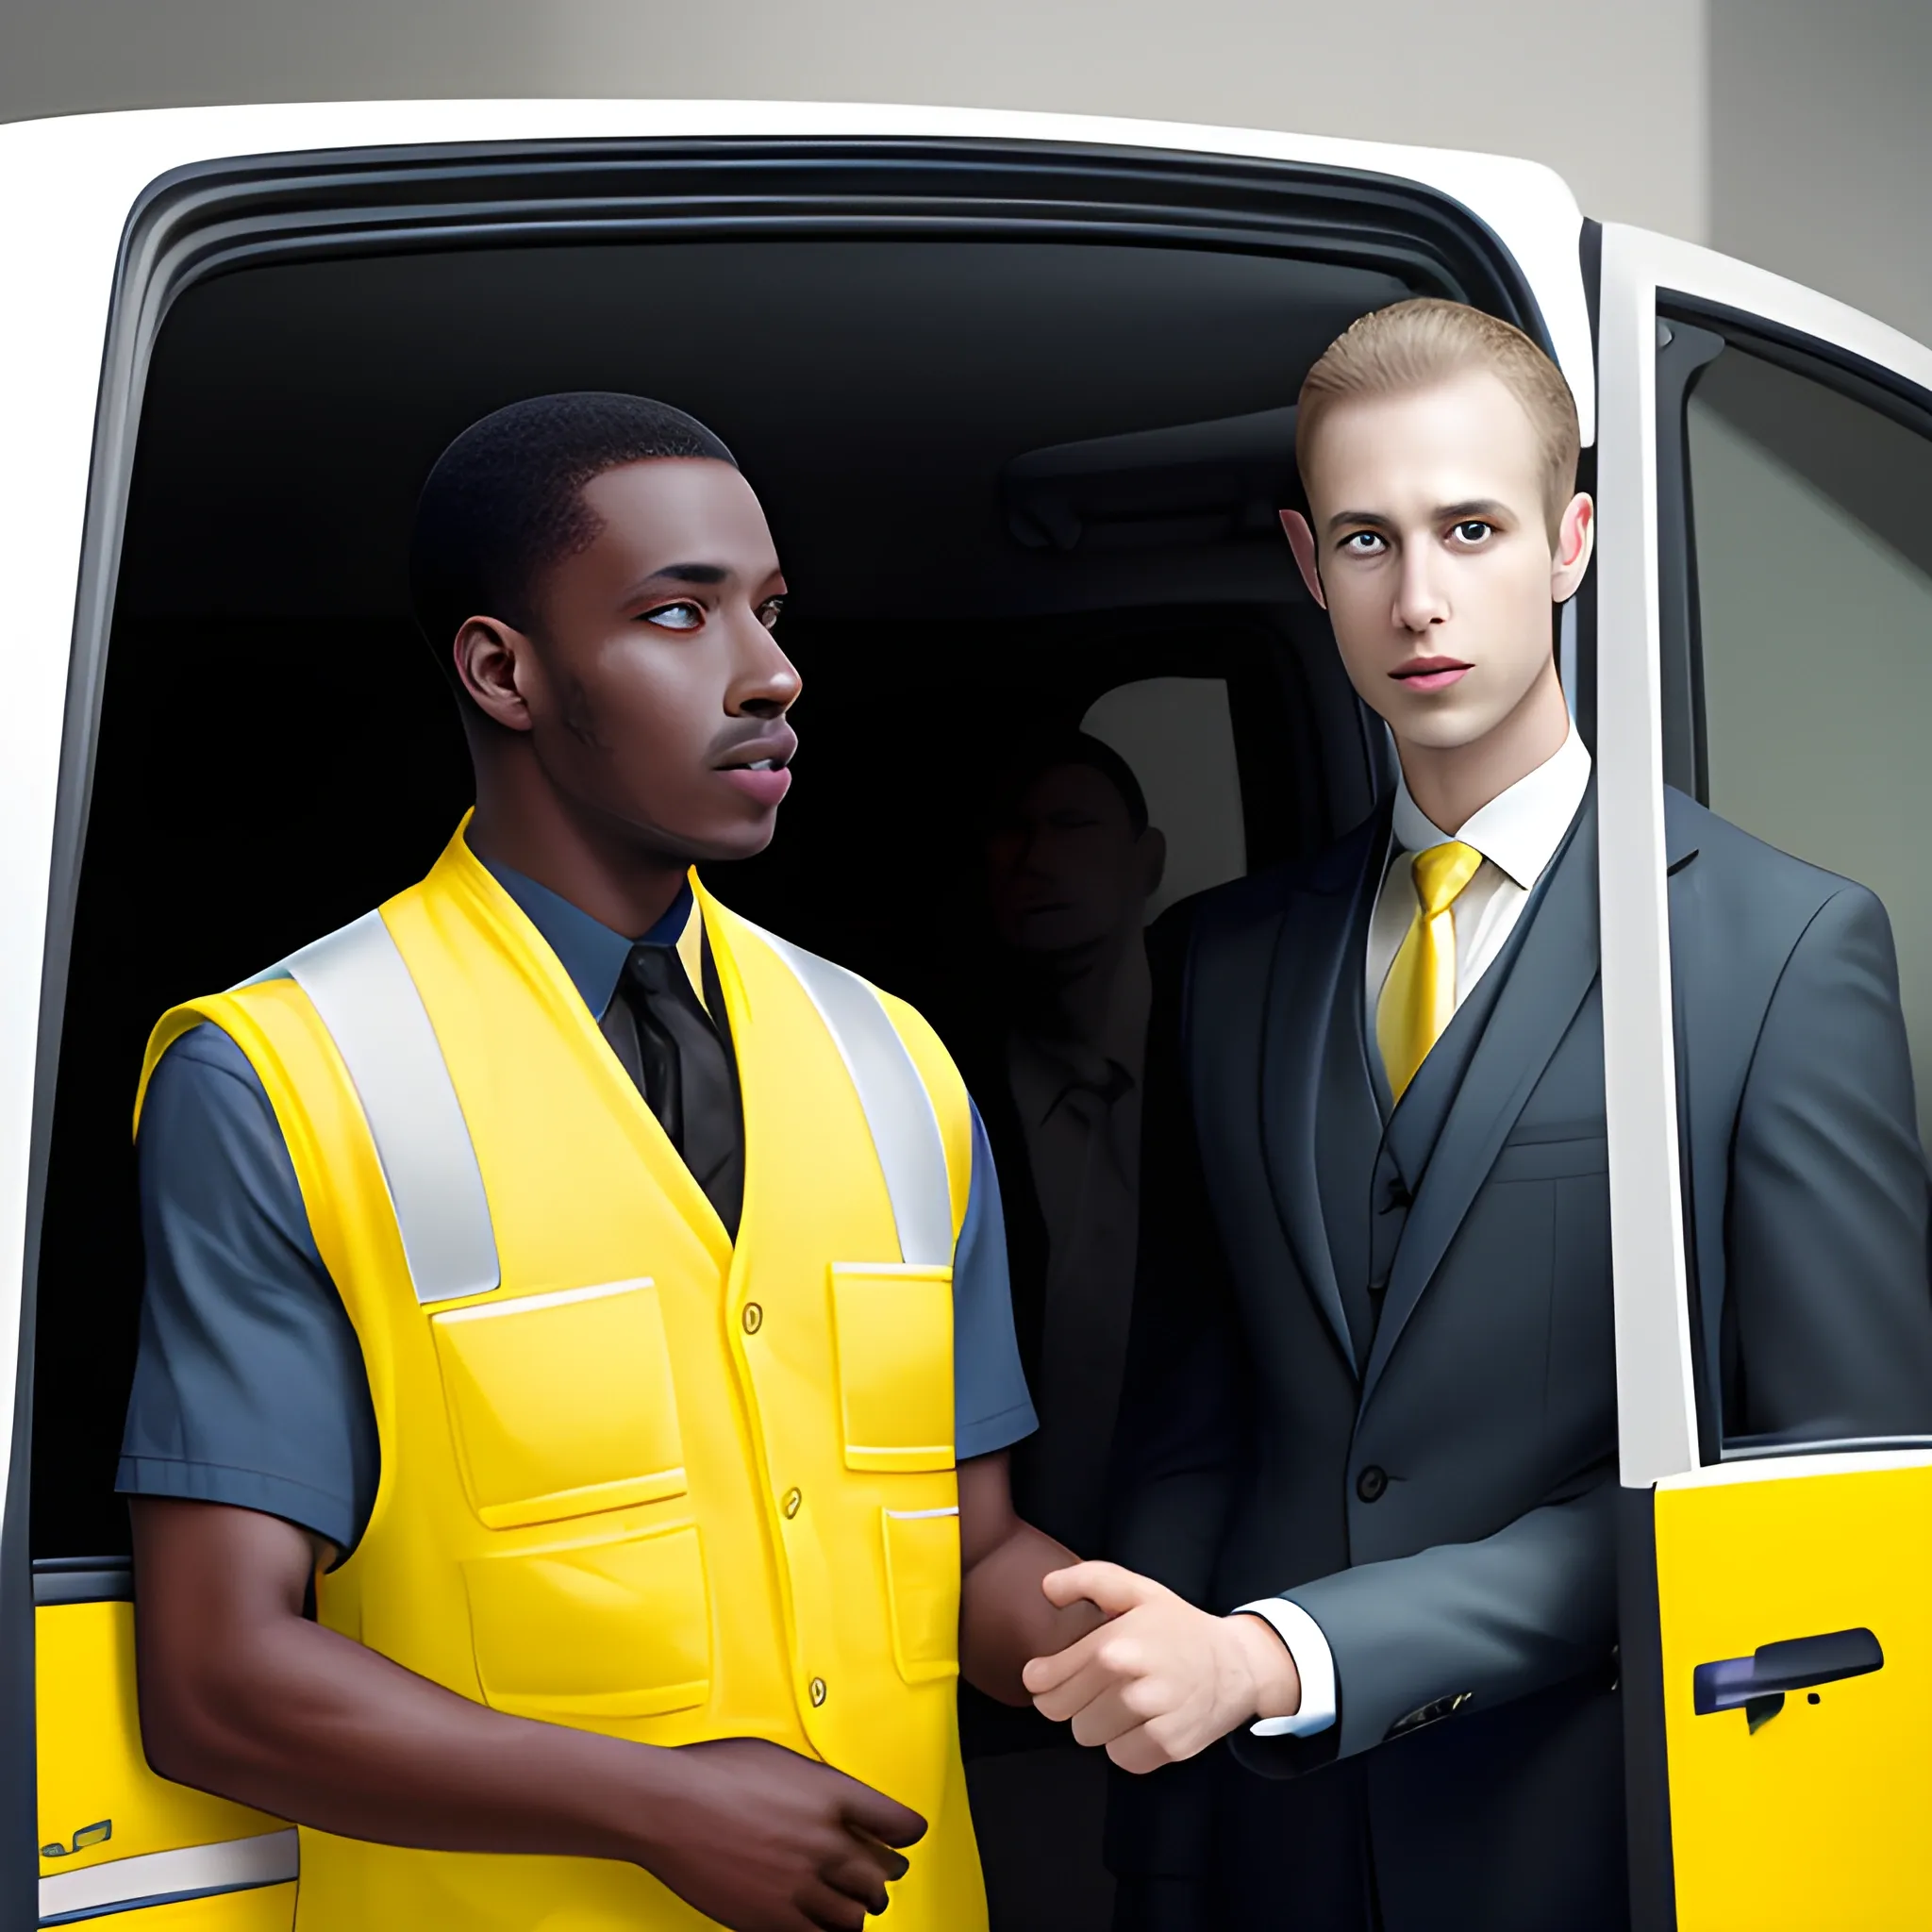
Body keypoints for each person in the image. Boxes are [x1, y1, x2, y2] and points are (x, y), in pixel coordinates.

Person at [118, 392, 1102, 1932]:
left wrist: (1160, 1642)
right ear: (502, 669)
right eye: (675, 613)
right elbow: (216, 1679)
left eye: (769, 613)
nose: (772, 673)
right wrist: (653, 1803)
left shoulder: (895, 1059)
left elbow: (967, 1551)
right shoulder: (281, 1072)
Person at [1020, 300, 1932, 1930]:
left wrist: (1291, 1653)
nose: (1417, 597)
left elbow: (1806, 1496)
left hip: (1602, 1835)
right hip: (1260, 1847)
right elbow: (1191, 1428)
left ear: (1572, 539)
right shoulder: (1220, 960)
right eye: (1367, 537)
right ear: (1306, 562)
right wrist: (1157, 1832)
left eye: (1470, 527)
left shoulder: (1779, 949)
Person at [958, 733, 1166, 1931]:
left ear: (1146, 858)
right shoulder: (927, 1087)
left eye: (1073, 825)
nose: (1034, 857)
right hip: (1006, 1639)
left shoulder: (1237, 1063)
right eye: (1009, 831)